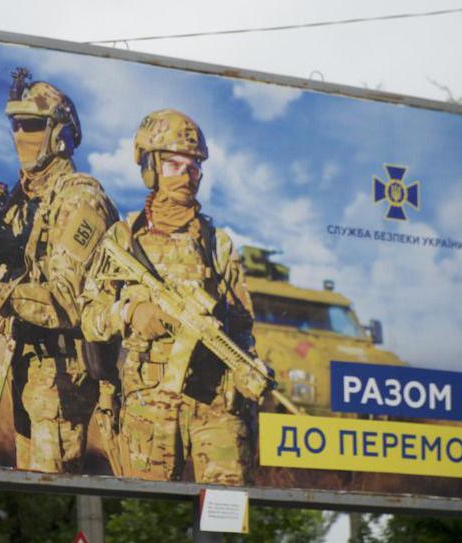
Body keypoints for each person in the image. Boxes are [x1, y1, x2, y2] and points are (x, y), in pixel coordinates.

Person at [80, 109, 265, 484]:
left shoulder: (218, 244)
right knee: (145, 515)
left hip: (216, 408)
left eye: (194, 167)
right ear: (150, 167)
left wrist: (250, 366)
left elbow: (243, 326)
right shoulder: (123, 238)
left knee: (226, 518)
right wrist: (130, 312)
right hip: (149, 410)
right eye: (173, 164)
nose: (186, 176)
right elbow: (89, 317)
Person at [0, 68, 118, 474]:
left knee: (50, 487)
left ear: (60, 134)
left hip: (63, 376)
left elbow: (66, 301)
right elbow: (6, 286)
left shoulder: (81, 200)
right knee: (27, 484)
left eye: (32, 125)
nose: (21, 135)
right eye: (15, 126)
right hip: (26, 368)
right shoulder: (18, 203)